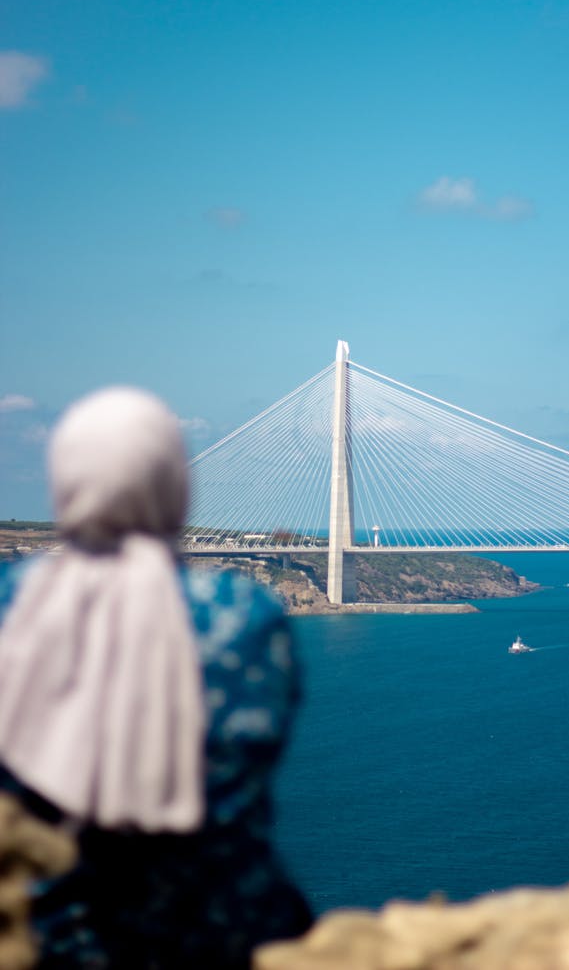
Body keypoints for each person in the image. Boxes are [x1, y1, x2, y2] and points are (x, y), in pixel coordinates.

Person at [0, 387, 311, 968]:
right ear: (176, 483)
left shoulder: (11, 609)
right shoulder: (246, 616)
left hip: (57, 938)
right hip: (229, 934)